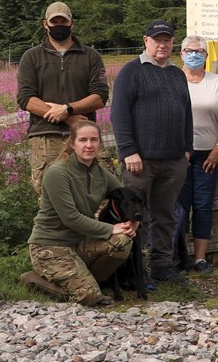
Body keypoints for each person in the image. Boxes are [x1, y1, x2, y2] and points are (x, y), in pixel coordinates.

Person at [110, 21, 193, 288]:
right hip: (140, 161)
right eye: (157, 39)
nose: (163, 44)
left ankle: (161, 266)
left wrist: (187, 149)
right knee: (135, 216)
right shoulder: (131, 72)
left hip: (174, 160)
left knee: (165, 215)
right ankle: (133, 270)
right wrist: (128, 151)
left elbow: (186, 114)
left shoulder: (177, 74)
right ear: (146, 40)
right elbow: (119, 114)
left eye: (167, 39)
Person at [20, 118, 138, 306]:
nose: (89, 145)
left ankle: (87, 282)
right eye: (83, 140)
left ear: (100, 143)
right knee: (88, 298)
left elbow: (128, 196)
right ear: (73, 143)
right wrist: (111, 228)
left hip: (80, 242)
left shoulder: (100, 174)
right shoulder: (57, 173)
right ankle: (34, 279)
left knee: (122, 241)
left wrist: (134, 221)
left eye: (94, 140)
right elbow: (71, 218)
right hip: (50, 245)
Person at [16, 1, 109, 195]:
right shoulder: (31, 57)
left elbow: (100, 96)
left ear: (71, 24)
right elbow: (26, 99)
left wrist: (68, 108)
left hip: (84, 138)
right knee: (52, 200)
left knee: (96, 195)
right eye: (54, 21)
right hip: (46, 137)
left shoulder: (91, 56)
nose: (59, 25)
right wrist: (68, 117)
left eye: (63, 21)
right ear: (45, 24)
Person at [174, 35, 218, 273]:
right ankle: (180, 256)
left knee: (203, 205)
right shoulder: (173, 79)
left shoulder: (217, 82)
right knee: (180, 206)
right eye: (189, 50)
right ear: (181, 54)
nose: (194, 54)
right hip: (179, 154)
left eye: (199, 51)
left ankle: (200, 258)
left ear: (207, 56)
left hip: (208, 154)